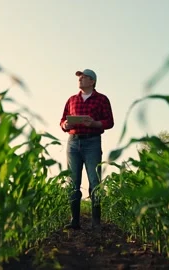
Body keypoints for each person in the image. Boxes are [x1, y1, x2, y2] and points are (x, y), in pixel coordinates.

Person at [59, 69, 114, 230]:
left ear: (92, 81)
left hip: (92, 142)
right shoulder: (71, 100)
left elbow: (109, 121)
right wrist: (65, 125)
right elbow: (62, 120)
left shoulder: (102, 99)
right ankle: (74, 221)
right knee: (73, 182)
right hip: (73, 143)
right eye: (79, 78)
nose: (80, 79)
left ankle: (96, 222)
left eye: (84, 78)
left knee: (95, 181)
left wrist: (95, 123)